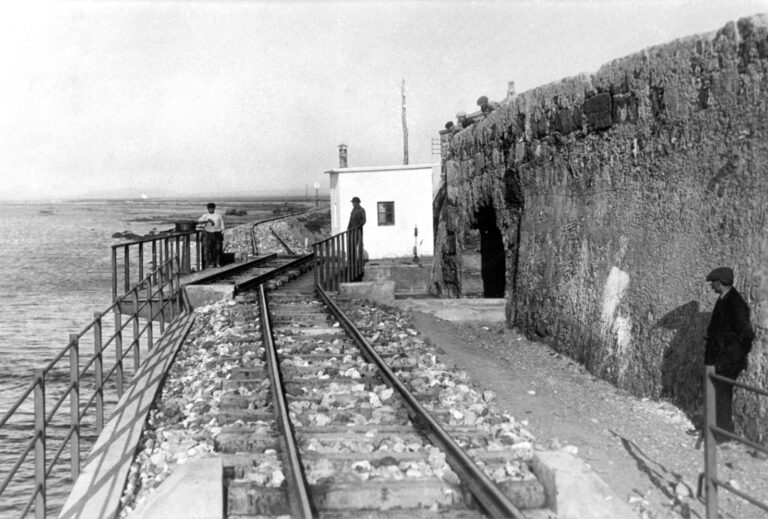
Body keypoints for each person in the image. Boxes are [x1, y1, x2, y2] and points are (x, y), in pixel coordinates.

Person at [704, 266, 754, 440]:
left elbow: (747, 335)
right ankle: (713, 429)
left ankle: (722, 435)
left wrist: (730, 355)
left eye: (713, 282)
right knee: (716, 394)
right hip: (719, 358)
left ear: (720, 283)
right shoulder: (724, 299)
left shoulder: (736, 303)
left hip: (728, 360)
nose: (712, 286)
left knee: (723, 396)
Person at [198, 202, 225, 268]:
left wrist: (222, 232)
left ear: (214, 208)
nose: (211, 209)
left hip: (217, 233)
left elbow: (222, 224)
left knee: (218, 248)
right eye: (209, 208)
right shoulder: (205, 215)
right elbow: (199, 220)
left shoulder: (218, 215)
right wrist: (208, 220)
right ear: (208, 209)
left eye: (212, 208)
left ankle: (218, 262)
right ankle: (211, 263)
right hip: (209, 233)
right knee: (210, 249)